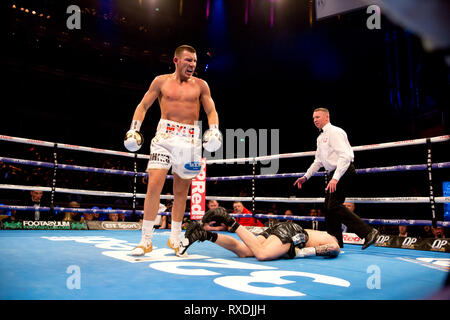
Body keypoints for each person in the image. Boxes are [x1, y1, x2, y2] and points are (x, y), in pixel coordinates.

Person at [124, 45, 222, 256]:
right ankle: (145, 240)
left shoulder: (201, 85)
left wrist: (214, 130)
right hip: (164, 137)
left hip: (190, 140)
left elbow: (211, 110)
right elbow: (143, 105)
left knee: (181, 191)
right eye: (188, 60)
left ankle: (175, 238)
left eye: (194, 61)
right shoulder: (161, 81)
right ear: (176, 60)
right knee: (154, 186)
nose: (192, 64)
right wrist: (134, 130)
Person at [293, 108, 379, 249]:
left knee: (333, 205)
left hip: (343, 171)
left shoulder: (335, 132)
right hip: (334, 174)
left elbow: (345, 156)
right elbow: (318, 161)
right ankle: (336, 242)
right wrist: (306, 176)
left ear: (327, 117)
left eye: (318, 117)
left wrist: (336, 178)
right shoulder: (320, 138)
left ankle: (368, 232)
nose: (315, 120)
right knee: (328, 208)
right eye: (313, 117)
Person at [179, 207, 340, 261]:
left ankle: (205, 235)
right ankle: (229, 221)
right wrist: (299, 253)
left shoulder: (320, 234)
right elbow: (334, 248)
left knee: (245, 251)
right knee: (262, 255)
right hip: (293, 232)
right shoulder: (328, 238)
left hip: (282, 230)